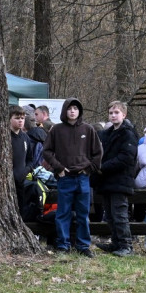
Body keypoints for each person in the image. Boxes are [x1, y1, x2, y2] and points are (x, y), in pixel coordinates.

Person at [40, 98, 102, 257]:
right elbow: (46, 151)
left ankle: (83, 246)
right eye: (69, 108)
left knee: (83, 214)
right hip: (65, 178)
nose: (72, 111)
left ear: (80, 111)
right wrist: (58, 167)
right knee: (63, 213)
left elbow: (98, 153)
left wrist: (89, 169)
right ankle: (63, 245)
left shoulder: (88, 130)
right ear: (64, 111)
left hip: (82, 178)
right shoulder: (56, 130)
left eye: (75, 108)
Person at [93, 101, 138, 257]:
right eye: (111, 113)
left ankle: (126, 245)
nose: (113, 115)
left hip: (120, 179)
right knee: (110, 215)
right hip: (106, 180)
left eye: (116, 112)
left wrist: (103, 167)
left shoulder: (128, 133)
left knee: (120, 214)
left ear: (123, 114)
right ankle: (116, 242)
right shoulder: (107, 133)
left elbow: (126, 158)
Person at [9, 105, 34, 209]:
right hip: (7, 182)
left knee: (21, 208)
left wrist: (26, 170)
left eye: (22, 118)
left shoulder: (25, 137)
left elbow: (30, 159)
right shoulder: (5, 136)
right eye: (17, 118)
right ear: (9, 119)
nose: (20, 121)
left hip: (21, 181)